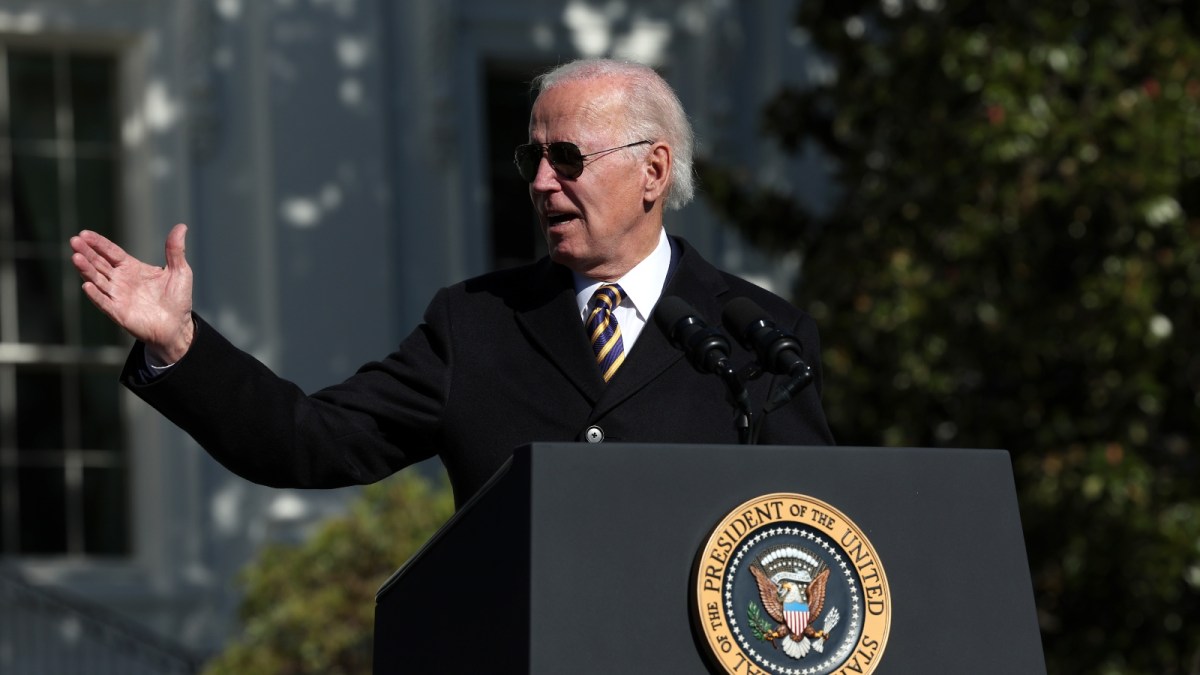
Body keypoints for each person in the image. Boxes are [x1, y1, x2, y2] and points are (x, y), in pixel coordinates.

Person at [69, 58, 833, 509]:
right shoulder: (476, 323)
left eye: (568, 158)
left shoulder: (757, 334)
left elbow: (813, 529)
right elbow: (314, 443)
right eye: (530, 159)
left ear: (653, 171)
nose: (540, 182)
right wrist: (181, 343)